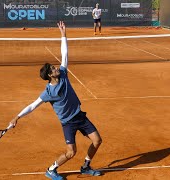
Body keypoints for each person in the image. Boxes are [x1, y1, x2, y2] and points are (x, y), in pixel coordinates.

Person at [9, 21, 103, 180]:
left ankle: (86, 166)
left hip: (80, 116)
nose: (57, 68)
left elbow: (65, 54)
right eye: (53, 69)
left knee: (97, 140)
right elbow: (33, 106)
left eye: (55, 67)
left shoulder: (64, 74)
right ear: (50, 76)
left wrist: (63, 34)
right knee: (71, 152)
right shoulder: (48, 92)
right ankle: (51, 169)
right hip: (68, 122)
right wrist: (17, 117)